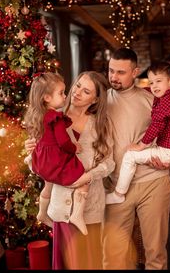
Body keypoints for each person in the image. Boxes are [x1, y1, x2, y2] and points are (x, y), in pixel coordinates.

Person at [25, 70, 115, 269]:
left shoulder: (101, 125)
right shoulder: (52, 117)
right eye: (77, 85)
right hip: (61, 207)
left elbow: (109, 164)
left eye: (86, 91)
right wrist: (30, 153)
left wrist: (87, 177)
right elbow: (39, 165)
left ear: (96, 99)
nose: (77, 92)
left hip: (88, 208)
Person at [102, 48, 170, 270]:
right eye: (111, 71)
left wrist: (167, 159)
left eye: (121, 72)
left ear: (135, 72)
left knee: (155, 254)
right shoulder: (100, 103)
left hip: (153, 182)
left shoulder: (153, 100)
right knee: (113, 256)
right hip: (116, 187)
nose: (114, 77)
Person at [106, 61, 170, 205]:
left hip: (168, 152)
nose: (154, 86)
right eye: (151, 83)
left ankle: (118, 193)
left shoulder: (166, 103)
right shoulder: (169, 97)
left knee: (130, 156)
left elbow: (156, 125)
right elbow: (153, 90)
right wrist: (147, 88)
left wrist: (141, 145)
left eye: (158, 81)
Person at [23, 72, 89, 235]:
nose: (65, 96)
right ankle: (77, 215)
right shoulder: (55, 117)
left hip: (43, 161)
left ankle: (42, 213)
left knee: (48, 184)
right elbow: (63, 142)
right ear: (46, 97)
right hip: (55, 160)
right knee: (85, 180)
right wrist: (74, 148)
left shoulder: (37, 115)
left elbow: (40, 138)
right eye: (61, 93)